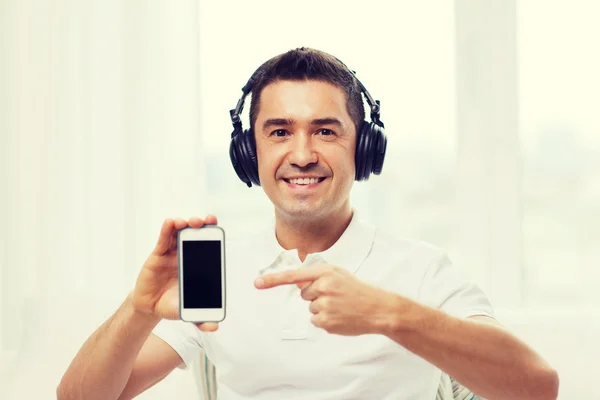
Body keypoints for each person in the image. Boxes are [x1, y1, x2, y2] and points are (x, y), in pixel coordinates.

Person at [57, 47, 559, 400]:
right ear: (249, 152)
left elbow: (536, 387)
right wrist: (138, 309)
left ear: (363, 148)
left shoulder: (421, 271)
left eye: (325, 130)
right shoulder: (217, 278)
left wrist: (388, 314)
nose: (302, 155)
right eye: (279, 132)